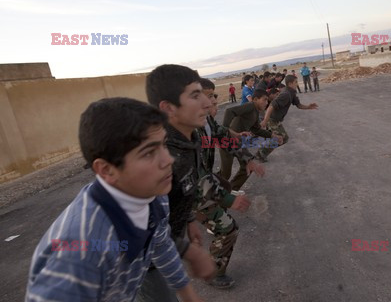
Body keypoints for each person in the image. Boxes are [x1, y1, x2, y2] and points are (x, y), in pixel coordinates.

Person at [26, 97, 206, 302]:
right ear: (106, 169)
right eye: (148, 153)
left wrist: (188, 293)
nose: (168, 160)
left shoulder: (153, 195)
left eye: (164, 145)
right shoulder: (80, 254)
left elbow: (161, 243)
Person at [145, 66, 252, 290]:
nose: (209, 103)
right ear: (169, 108)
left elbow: (222, 136)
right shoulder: (165, 151)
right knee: (227, 227)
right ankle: (215, 271)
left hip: (160, 246)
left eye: (210, 96)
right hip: (140, 262)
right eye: (198, 96)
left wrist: (188, 220)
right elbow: (146, 226)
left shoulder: (193, 131)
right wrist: (228, 199)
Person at [220, 89, 282, 191]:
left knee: (248, 166)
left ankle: (231, 189)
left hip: (239, 143)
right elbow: (229, 111)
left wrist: (272, 135)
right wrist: (225, 130)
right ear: (255, 99)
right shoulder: (250, 106)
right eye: (264, 100)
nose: (266, 103)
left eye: (268, 101)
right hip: (227, 141)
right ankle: (212, 194)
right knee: (225, 174)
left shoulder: (256, 113)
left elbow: (256, 129)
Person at [256, 75, 318, 162]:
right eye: (295, 82)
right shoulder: (286, 94)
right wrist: (265, 120)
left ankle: (262, 152)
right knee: (282, 138)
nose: (297, 84)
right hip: (272, 119)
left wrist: (308, 107)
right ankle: (261, 153)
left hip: (276, 120)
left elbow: (298, 105)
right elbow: (271, 106)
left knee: (280, 138)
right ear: (290, 83)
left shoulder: (291, 93)